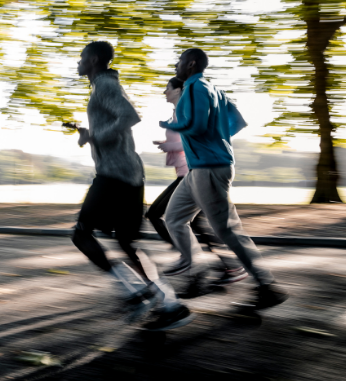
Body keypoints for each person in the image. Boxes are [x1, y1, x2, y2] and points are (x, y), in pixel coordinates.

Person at [71, 41, 193, 331]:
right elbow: (115, 125)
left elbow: (129, 116)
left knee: (81, 234)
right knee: (127, 242)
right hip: (128, 174)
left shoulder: (104, 85)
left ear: (95, 59)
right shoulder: (105, 85)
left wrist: (96, 135)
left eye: (82, 57)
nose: (78, 62)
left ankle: (135, 293)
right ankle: (171, 304)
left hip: (115, 174)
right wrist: (90, 134)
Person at [160, 48, 288, 310]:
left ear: (192, 64)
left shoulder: (195, 88)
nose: (176, 64)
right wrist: (217, 138)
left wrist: (170, 125)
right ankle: (195, 267)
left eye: (180, 60)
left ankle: (267, 286)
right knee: (173, 218)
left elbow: (194, 127)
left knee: (227, 231)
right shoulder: (214, 89)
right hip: (200, 168)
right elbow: (238, 122)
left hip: (210, 168)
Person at [146, 77, 246, 296]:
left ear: (178, 89)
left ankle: (193, 260)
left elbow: (192, 138)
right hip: (189, 173)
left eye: (167, 88)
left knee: (157, 214)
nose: (164, 91)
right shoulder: (178, 112)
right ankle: (226, 266)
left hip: (192, 173)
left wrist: (167, 144)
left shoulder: (188, 110)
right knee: (199, 225)